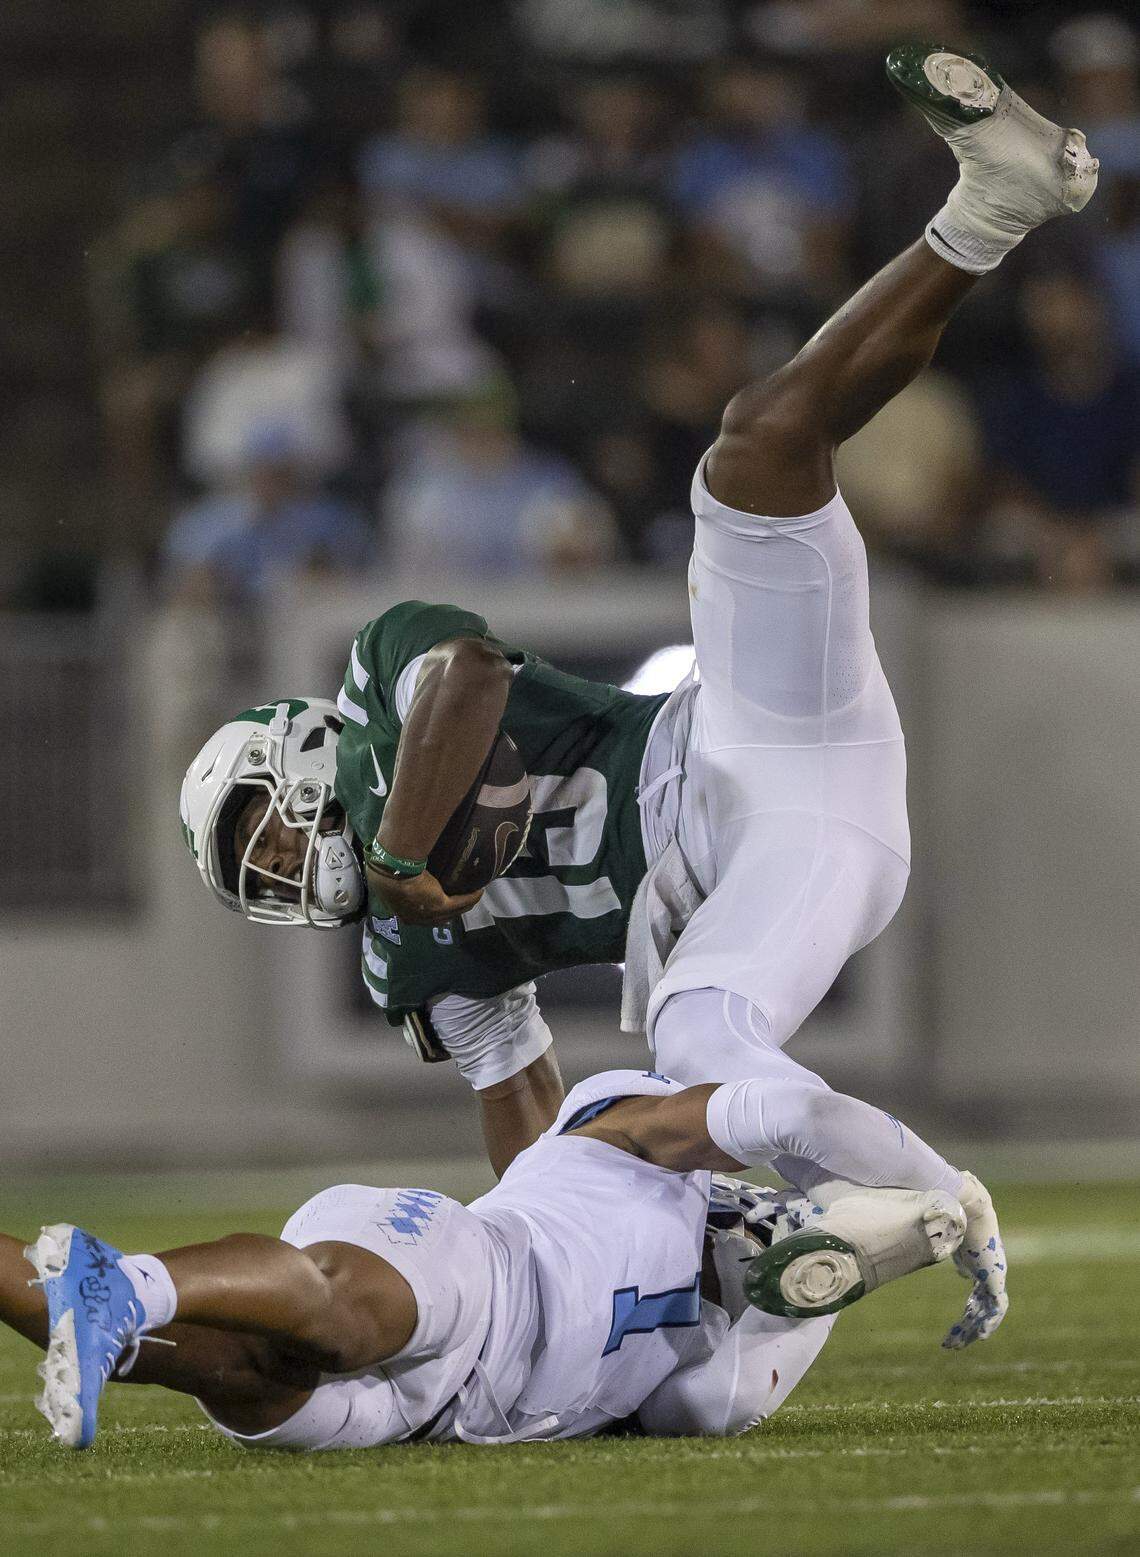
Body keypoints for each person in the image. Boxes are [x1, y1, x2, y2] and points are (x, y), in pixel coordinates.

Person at [181, 46, 1093, 1316]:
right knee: (695, 1048)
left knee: (754, 451)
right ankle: (891, 1209)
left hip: (748, 728)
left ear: (299, 755)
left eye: (263, 837)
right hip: (765, 867)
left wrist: (399, 850)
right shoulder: (408, 963)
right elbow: (526, 1113)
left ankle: (992, 205)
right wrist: (549, 1253)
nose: (284, 873)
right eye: (262, 882)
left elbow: (472, 674)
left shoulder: (388, 677)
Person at [8, 1066, 1000, 1454]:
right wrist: (950, 1196)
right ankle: (123, 1282)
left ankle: (95, 1305)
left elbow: (727, 1398)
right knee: (340, 1319)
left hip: (426, 1418)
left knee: (240, 1379)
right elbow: (792, 1112)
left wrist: (864, 1258)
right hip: (463, 1266)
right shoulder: (612, 1141)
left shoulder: (695, 1358)